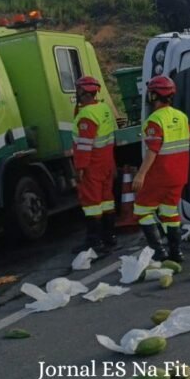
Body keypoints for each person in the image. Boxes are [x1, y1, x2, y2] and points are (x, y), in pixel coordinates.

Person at [133, 76, 190, 262]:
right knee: (169, 211)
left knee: (142, 210)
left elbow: (153, 150)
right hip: (179, 175)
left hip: (159, 175)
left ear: (154, 95)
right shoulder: (181, 116)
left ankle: (159, 251)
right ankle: (176, 252)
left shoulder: (154, 120)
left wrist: (140, 175)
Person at [71, 76, 117, 255]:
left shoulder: (86, 115)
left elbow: (84, 145)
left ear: (83, 92)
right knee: (107, 200)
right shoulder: (104, 108)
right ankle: (109, 237)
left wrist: (80, 168)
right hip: (106, 161)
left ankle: (94, 241)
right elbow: (112, 137)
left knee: (92, 202)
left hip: (92, 164)